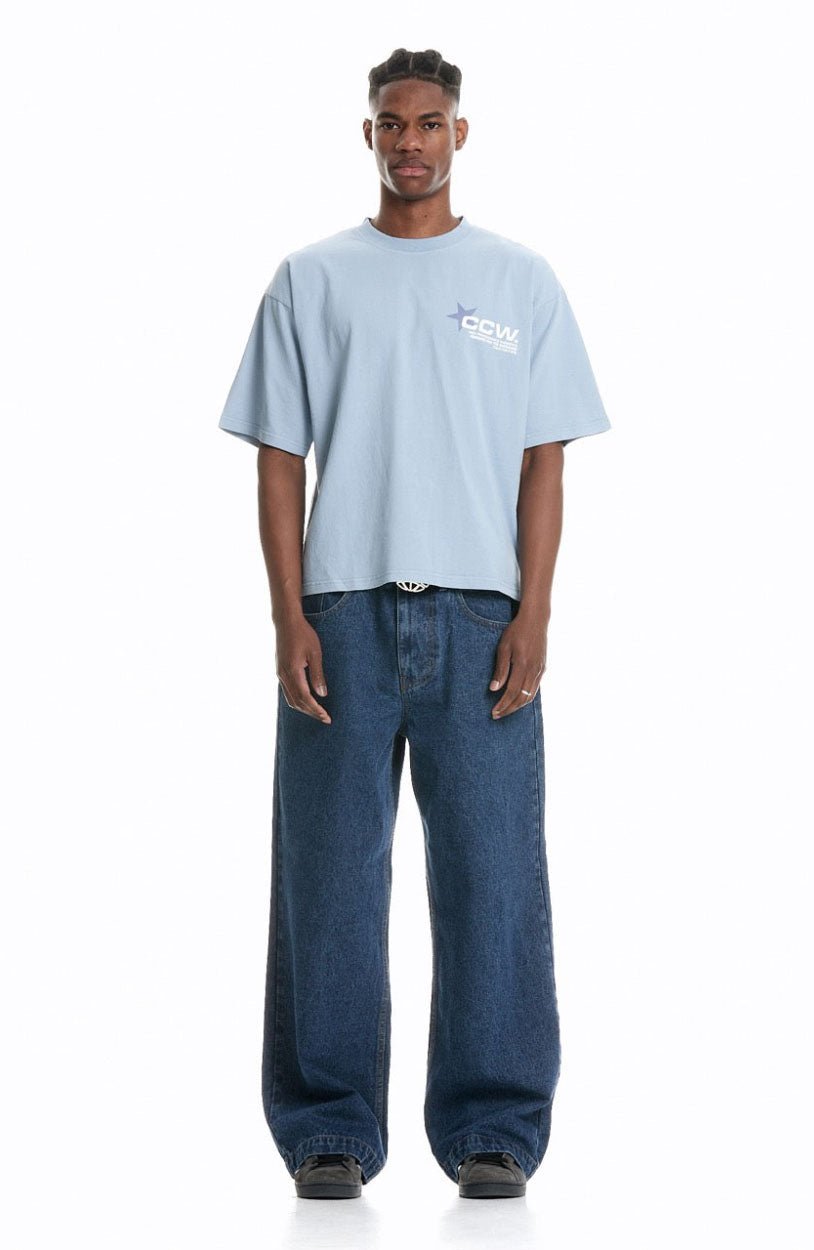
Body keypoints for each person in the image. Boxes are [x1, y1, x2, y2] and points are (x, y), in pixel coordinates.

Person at [217, 47, 611, 1200]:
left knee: (493, 874)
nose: (410, 142)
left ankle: (494, 1127)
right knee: (329, 876)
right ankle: (327, 1129)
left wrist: (534, 613)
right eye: (392, 123)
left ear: (459, 134)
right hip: (340, 614)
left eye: (429, 123)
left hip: (482, 618)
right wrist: (287, 614)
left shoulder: (519, 280)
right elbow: (278, 461)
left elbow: (544, 462)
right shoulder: (310, 279)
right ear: (368, 135)